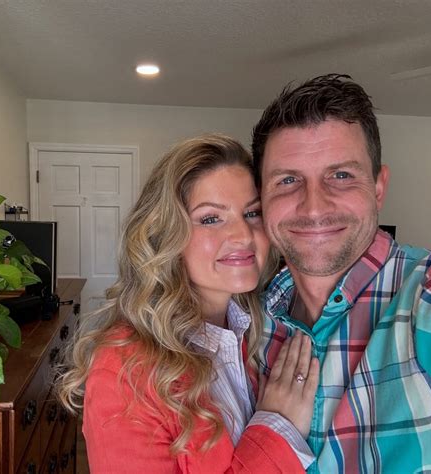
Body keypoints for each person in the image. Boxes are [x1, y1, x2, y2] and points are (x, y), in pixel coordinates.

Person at [57, 134, 319, 473]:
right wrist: (278, 428)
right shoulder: (124, 371)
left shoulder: (254, 330)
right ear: (167, 235)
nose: (243, 235)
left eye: (252, 212)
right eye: (210, 218)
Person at [251, 74, 431, 473]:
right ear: (262, 200)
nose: (314, 207)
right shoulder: (248, 323)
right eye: (287, 180)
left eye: (341, 175)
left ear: (379, 188)